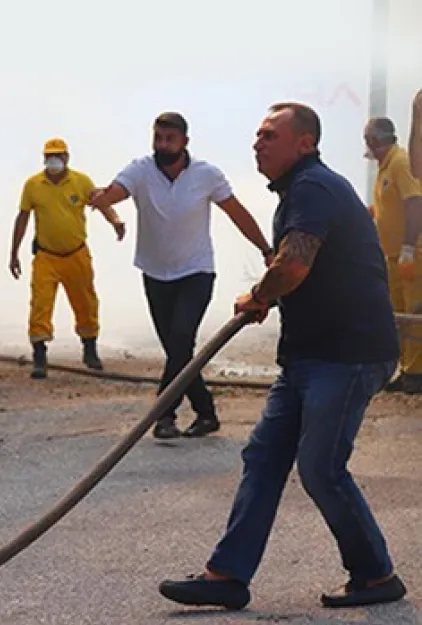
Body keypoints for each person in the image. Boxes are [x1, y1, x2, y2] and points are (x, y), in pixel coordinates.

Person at [159, 102, 405, 611]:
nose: (258, 143)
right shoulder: (298, 192)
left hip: (348, 354)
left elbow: (292, 265)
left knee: (321, 467)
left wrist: (260, 295)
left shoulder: (313, 187)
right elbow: (298, 267)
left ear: (306, 143)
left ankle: (375, 575)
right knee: (265, 456)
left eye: (270, 135)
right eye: (256, 135)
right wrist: (273, 293)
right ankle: (227, 575)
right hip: (309, 356)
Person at [90, 112, 273, 439]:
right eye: (158, 138)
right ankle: (206, 413)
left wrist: (265, 249)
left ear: (184, 142)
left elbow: (237, 213)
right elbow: (118, 190)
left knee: (179, 340)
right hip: (155, 273)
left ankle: (163, 415)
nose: (162, 145)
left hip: (196, 272)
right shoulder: (141, 170)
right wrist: (102, 198)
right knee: (179, 350)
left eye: (169, 139)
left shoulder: (206, 175)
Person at [9, 138, 126, 379]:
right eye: (50, 156)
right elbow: (22, 218)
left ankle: (90, 350)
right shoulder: (33, 185)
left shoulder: (81, 182)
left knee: (86, 302)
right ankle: (39, 357)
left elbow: (101, 202)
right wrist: (14, 253)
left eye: (58, 156)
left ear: (67, 158)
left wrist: (115, 221)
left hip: (76, 254)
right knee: (40, 305)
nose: (54, 161)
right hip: (46, 255)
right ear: (44, 159)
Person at [364, 116, 422, 394]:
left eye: (368, 141)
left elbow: (414, 203)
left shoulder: (400, 162)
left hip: (412, 253)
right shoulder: (385, 167)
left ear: (374, 141)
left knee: (414, 312)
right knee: (399, 313)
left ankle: (417, 373)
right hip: (392, 254)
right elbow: (389, 205)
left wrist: (410, 248)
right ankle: (409, 368)